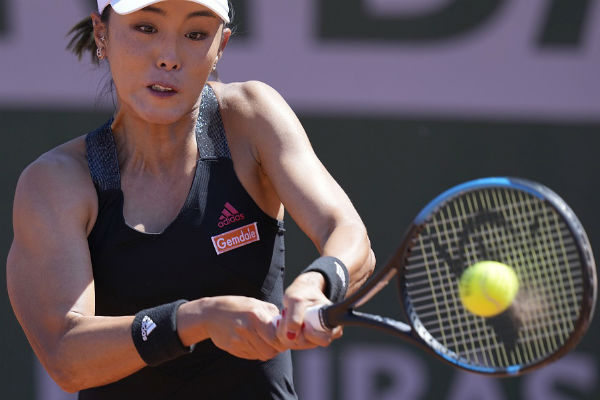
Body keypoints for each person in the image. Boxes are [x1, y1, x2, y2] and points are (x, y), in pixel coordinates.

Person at [6, 0, 375, 398]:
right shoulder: (56, 182)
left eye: (196, 34)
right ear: (102, 34)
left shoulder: (251, 118)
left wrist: (318, 281)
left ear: (221, 46)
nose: (169, 57)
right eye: (146, 28)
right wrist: (196, 319)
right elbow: (66, 356)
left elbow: (346, 232)